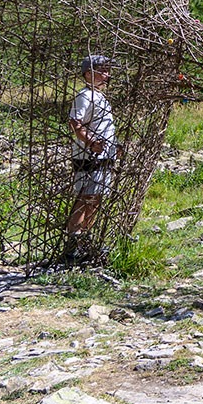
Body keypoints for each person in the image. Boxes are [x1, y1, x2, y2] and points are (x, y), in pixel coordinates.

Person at [67, 54, 119, 262]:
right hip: (88, 157)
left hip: (103, 157)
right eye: (102, 71)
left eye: (107, 71)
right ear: (89, 73)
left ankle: (85, 241)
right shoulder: (85, 96)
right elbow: (75, 122)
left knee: (95, 199)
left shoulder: (98, 96)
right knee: (84, 199)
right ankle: (73, 247)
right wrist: (91, 143)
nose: (107, 75)